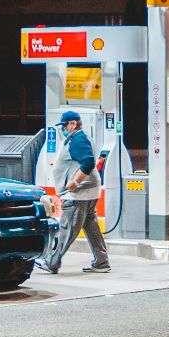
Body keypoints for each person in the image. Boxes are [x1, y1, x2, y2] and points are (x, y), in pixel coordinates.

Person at [38, 109, 109, 274]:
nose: (63, 129)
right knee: (91, 228)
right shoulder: (83, 138)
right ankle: (101, 261)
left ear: (73, 124)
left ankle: (52, 262)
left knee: (67, 228)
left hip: (78, 194)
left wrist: (75, 182)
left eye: (64, 125)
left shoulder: (78, 140)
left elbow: (88, 162)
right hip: (89, 192)